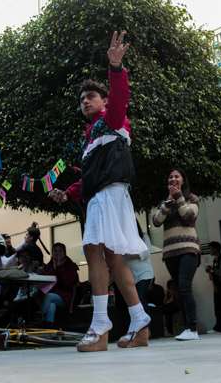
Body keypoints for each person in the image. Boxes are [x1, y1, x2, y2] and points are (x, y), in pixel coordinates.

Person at [49, 31, 150, 351]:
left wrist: (116, 67)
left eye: (90, 97)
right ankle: (140, 322)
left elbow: (121, 95)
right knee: (113, 258)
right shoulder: (90, 137)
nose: (85, 102)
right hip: (105, 195)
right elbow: (92, 177)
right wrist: (69, 194)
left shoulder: (113, 117)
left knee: (93, 250)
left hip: (110, 196)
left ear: (104, 101)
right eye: (82, 100)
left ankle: (99, 325)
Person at [152, 168, 201, 341]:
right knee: (180, 289)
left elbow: (188, 217)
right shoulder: (164, 203)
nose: (173, 179)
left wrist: (179, 197)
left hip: (188, 248)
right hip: (170, 251)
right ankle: (188, 328)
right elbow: (156, 221)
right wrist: (167, 203)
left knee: (185, 286)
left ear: (182, 181)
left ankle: (192, 328)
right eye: (170, 177)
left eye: (176, 177)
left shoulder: (192, 198)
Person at [36, 243, 79, 327]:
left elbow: (68, 284)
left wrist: (60, 268)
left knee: (49, 296)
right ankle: (49, 327)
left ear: (65, 253)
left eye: (60, 250)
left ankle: (39, 318)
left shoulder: (71, 266)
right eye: (55, 250)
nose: (57, 253)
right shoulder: (49, 266)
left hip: (65, 297)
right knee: (52, 305)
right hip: (52, 296)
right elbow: (46, 282)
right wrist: (54, 269)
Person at [123, 220, 154, 324]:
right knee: (133, 302)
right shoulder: (123, 240)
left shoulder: (144, 237)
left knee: (140, 298)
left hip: (144, 273)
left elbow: (146, 253)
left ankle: (147, 329)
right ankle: (137, 328)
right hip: (130, 276)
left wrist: (131, 252)